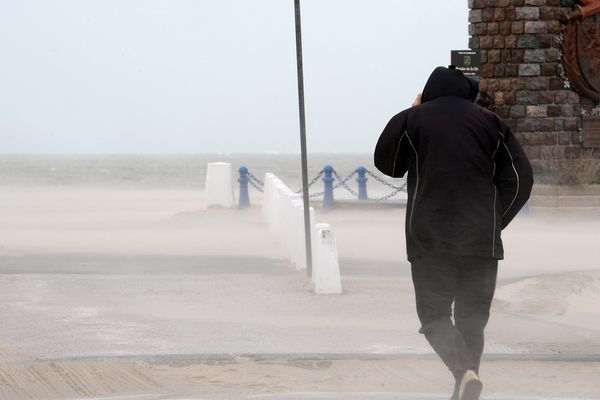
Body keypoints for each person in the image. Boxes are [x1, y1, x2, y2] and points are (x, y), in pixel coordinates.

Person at [374, 66, 533, 400]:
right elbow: (520, 181)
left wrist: (411, 112)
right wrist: (494, 221)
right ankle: (466, 381)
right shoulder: (491, 123)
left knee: (434, 317)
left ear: (428, 92)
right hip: (480, 243)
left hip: (430, 240)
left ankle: (464, 374)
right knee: (472, 319)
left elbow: (387, 164)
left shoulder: (413, 120)